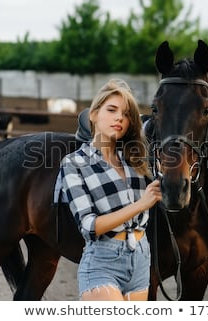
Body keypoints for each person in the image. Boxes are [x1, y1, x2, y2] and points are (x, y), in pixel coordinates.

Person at [58, 79, 161, 301]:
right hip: (103, 262)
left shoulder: (137, 160)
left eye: (125, 114)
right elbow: (89, 227)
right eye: (112, 110)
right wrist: (141, 204)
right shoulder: (74, 163)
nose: (119, 118)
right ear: (93, 115)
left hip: (141, 259)